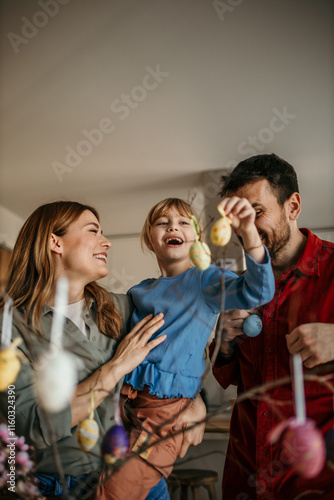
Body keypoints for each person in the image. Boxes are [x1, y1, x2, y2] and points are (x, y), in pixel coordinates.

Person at [0, 201, 206, 499]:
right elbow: (30, 423)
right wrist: (115, 368)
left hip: (132, 472)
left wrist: (194, 401)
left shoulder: (121, 307)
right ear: (54, 242)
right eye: (93, 231)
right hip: (56, 486)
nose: (105, 242)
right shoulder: (10, 326)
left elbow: (174, 352)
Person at [95, 197, 275, 500]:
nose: (172, 227)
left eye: (183, 223)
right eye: (162, 222)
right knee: (141, 486)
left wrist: (249, 234)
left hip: (166, 411)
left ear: (197, 239)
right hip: (126, 405)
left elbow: (259, 290)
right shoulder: (139, 291)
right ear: (149, 240)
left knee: (115, 491)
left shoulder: (205, 280)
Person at [210, 153, 334, 499]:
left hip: (318, 481)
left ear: (292, 206)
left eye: (256, 212)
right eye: (235, 217)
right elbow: (229, 375)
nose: (243, 228)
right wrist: (224, 343)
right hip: (246, 474)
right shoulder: (235, 286)